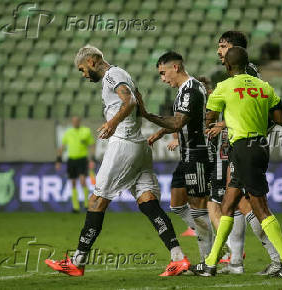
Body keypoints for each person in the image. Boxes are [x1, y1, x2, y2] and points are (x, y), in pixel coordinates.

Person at [45, 45, 189, 277]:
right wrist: (138, 119)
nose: (83, 75)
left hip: (123, 143)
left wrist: (113, 123)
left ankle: (78, 260)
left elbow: (130, 101)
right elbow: (138, 100)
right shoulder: (121, 75)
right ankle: (178, 258)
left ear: (92, 61)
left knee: (96, 200)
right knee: (148, 202)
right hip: (138, 146)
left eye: (82, 69)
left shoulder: (112, 75)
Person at [190, 46, 282, 278]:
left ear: (228, 66)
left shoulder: (223, 87)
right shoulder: (264, 87)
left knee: (260, 208)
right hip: (260, 147)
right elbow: (281, 120)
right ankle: (210, 263)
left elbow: (209, 118)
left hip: (242, 148)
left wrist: (222, 116)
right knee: (228, 205)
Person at [206, 31, 282, 275]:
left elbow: (261, 113)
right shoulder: (248, 73)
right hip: (238, 145)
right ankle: (236, 262)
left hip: (244, 145)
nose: (219, 51)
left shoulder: (245, 75)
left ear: (235, 50)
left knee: (247, 203)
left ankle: (279, 258)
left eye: (223, 46)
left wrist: (224, 124)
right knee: (233, 202)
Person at [136, 51, 213, 262]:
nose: (162, 79)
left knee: (198, 209)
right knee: (177, 205)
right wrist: (161, 132)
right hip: (187, 153)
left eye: (163, 73)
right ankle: (212, 246)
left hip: (198, 153)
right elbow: (182, 121)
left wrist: (148, 115)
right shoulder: (184, 90)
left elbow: (178, 123)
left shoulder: (190, 90)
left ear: (175, 67)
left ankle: (211, 258)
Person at [56, 116, 95, 213]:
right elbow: (62, 147)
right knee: (73, 183)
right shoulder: (68, 132)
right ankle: (75, 207)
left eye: (77, 121)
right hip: (71, 160)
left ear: (79, 122)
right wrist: (58, 160)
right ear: (72, 122)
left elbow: (92, 145)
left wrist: (91, 159)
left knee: (82, 181)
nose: (75, 122)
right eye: (73, 121)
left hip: (82, 159)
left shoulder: (86, 131)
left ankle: (86, 204)